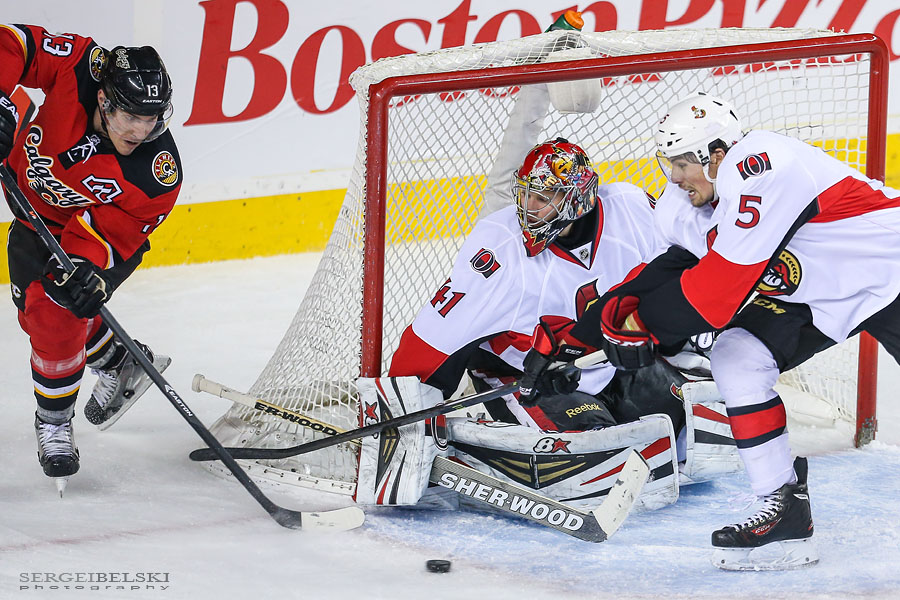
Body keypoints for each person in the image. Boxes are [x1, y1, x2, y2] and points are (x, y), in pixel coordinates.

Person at [528, 91, 900, 570]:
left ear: (718, 154)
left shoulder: (761, 165)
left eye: (683, 162)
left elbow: (713, 296)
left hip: (890, 272)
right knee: (738, 357)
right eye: (669, 163)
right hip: (813, 296)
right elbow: (673, 266)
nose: (675, 177)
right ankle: (782, 511)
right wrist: (578, 339)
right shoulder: (688, 201)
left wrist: (639, 329)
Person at [358, 138, 740, 511]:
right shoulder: (499, 247)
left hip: (608, 361)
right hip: (531, 376)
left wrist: (682, 342)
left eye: (543, 197)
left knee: (707, 426)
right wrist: (399, 431)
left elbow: (684, 269)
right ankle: (472, 446)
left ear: (577, 198)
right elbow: (432, 340)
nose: (528, 207)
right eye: (525, 194)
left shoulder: (632, 208)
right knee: (602, 461)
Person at [0, 24, 181, 491]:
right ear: (104, 99)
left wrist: (83, 266)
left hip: (95, 238)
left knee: (55, 312)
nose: (143, 131)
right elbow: (12, 45)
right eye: (131, 117)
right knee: (36, 318)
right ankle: (119, 360)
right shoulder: (80, 64)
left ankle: (54, 423)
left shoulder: (156, 173)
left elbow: (114, 233)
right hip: (30, 213)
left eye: (154, 119)